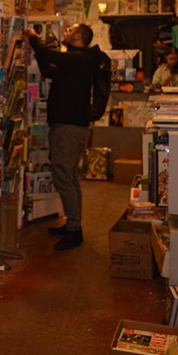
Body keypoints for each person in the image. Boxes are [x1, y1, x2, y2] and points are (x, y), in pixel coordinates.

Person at [25, 23, 105, 250]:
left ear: (78, 36)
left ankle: (74, 230)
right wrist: (39, 52)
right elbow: (50, 70)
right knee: (69, 177)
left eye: (70, 30)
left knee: (63, 176)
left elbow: (51, 56)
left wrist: (33, 38)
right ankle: (72, 223)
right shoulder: (77, 61)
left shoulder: (81, 58)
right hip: (69, 125)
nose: (65, 33)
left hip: (69, 127)